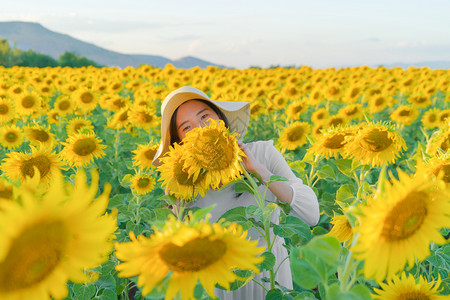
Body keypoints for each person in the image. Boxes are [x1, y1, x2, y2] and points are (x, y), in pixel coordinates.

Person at [152, 86, 320, 299]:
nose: (201, 128)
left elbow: (310, 216)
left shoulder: (262, 153)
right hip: (220, 283)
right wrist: (177, 208)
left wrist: (258, 170)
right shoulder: (186, 185)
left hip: (269, 277)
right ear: (182, 144)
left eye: (204, 116)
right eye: (187, 128)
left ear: (220, 118)